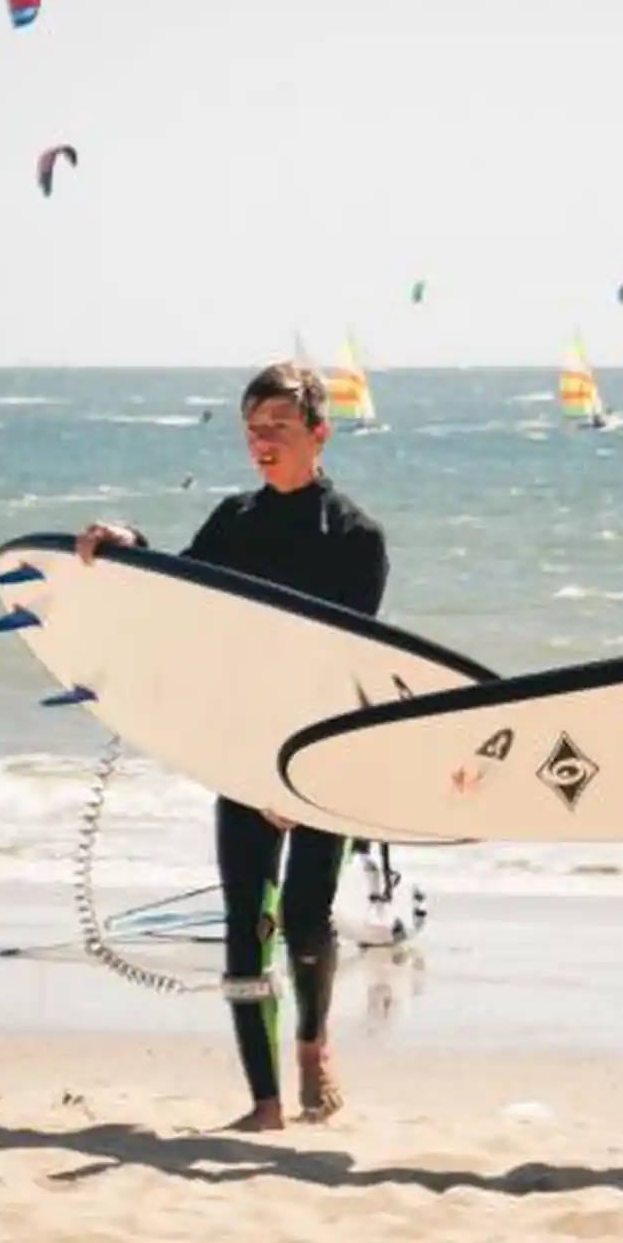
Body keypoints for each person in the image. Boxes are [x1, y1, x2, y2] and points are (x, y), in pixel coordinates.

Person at [77, 360, 388, 1132]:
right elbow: (179, 593)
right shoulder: (235, 520)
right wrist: (126, 543)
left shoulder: (355, 538)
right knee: (247, 924)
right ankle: (266, 1104)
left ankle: (313, 1043)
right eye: (252, 430)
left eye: (277, 428)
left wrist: (292, 779)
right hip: (243, 753)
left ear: (320, 432)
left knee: (307, 922)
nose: (261, 443)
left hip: (325, 758)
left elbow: (339, 664)